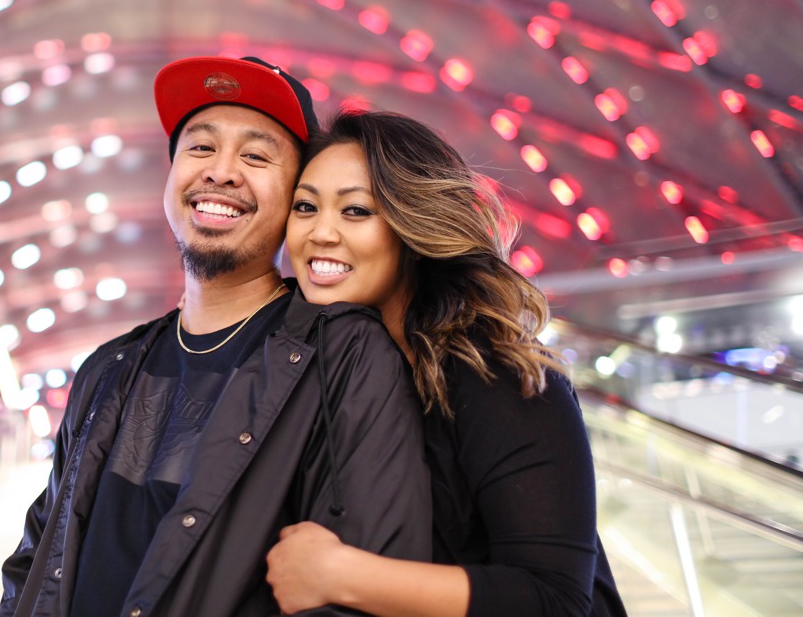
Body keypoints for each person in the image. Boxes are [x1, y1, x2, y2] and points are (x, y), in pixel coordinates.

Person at [0, 59, 432, 617]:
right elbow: (35, 563)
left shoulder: (342, 354)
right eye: (200, 148)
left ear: (299, 197)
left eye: (256, 155)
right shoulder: (110, 369)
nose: (222, 172)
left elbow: (362, 588)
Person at [267, 110, 626, 617]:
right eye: (305, 207)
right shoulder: (326, 377)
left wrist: (338, 575)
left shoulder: (494, 373)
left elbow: (554, 600)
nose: (319, 233)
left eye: (355, 211)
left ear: (411, 226)